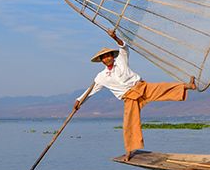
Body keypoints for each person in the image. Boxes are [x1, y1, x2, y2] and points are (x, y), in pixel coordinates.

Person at [75, 28, 196, 158]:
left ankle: (188, 86)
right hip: (129, 97)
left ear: (112, 56)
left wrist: (114, 37)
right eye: (104, 57)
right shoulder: (101, 77)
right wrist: (79, 101)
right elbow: (91, 91)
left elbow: (123, 47)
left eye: (109, 55)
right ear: (102, 60)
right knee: (129, 123)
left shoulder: (121, 60)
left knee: (163, 87)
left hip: (140, 87)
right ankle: (130, 150)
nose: (107, 58)